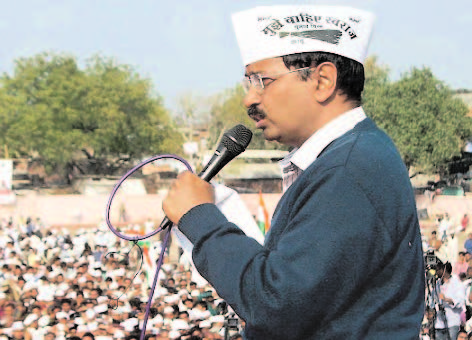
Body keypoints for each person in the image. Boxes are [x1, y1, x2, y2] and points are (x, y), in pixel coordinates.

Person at [163, 5, 425, 339]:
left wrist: (201, 219)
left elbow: (276, 304)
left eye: (261, 81)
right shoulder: (348, 155)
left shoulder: (349, 169)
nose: (249, 99)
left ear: (322, 80)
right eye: (248, 83)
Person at [434, 262, 466, 340]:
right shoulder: (437, 283)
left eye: (438, 270)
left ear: (444, 270)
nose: (436, 272)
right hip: (439, 323)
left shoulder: (456, 282)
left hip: (452, 322)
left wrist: (446, 299)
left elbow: (460, 301)